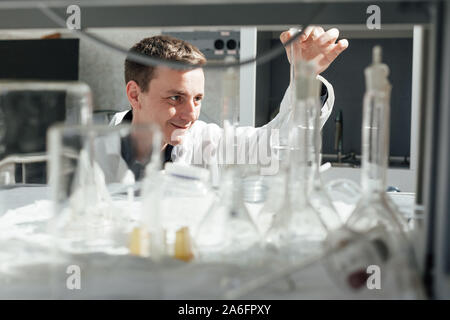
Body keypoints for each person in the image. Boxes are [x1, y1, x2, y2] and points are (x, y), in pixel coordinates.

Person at [109, 27, 348, 182]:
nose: (191, 114)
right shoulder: (90, 154)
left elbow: (278, 148)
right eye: (175, 98)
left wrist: (305, 78)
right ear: (135, 95)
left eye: (197, 99)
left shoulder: (207, 142)